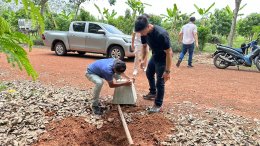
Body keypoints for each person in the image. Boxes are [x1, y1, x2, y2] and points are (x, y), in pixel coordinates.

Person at [134, 15, 173, 113]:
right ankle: (152, 92)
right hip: (155, 55)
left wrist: (167, 71)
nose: (141, 34)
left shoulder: (161, 34)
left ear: (148, 26)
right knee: (149, 73)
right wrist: (143, 60)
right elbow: (144, 46)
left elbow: (169, 52)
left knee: (160, 82)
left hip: (164, 58)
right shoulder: (143, 34)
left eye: (142, 32)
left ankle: (158, 104)